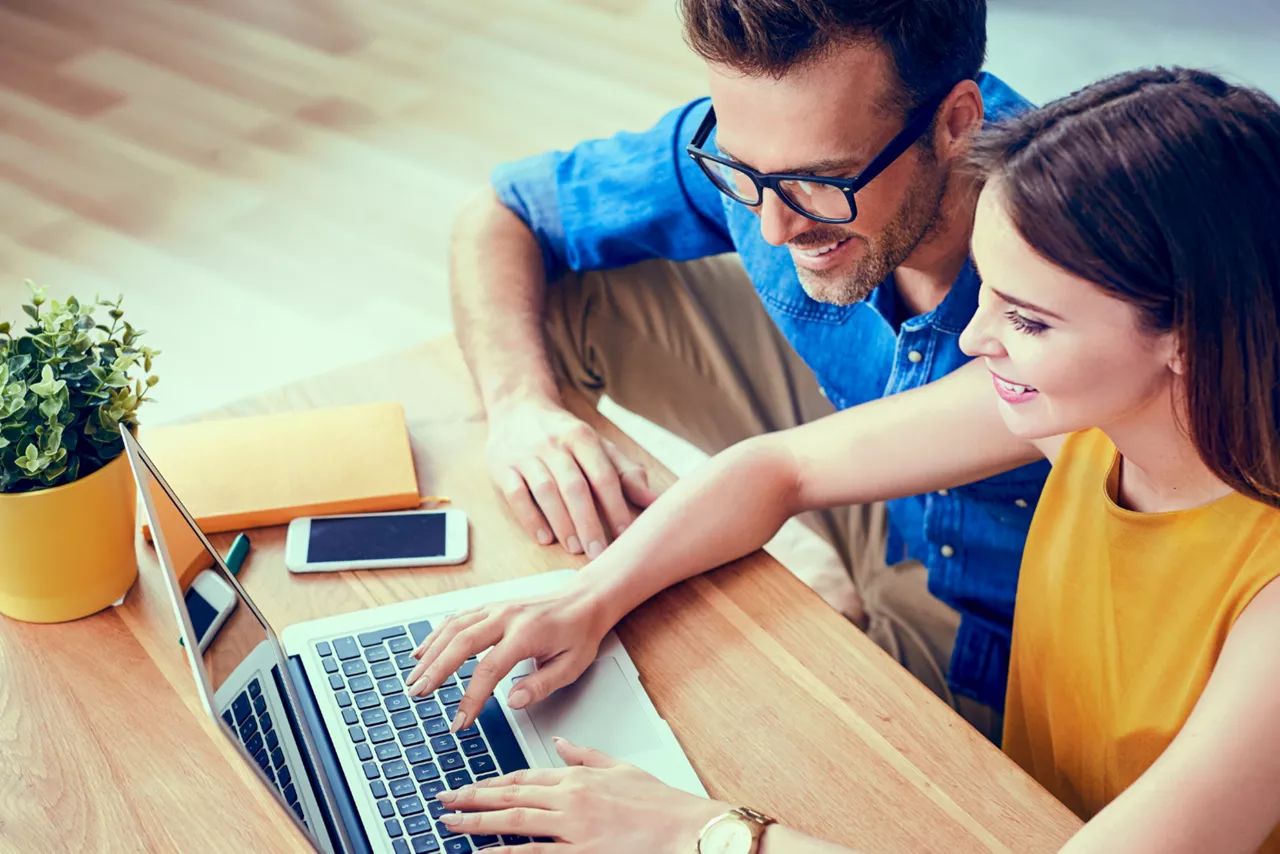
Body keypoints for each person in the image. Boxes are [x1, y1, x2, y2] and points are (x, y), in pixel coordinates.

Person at [414, 68, 1280, 853]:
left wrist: (706, 836)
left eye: (1028, 321)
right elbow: (777, 471)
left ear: (1189, 337)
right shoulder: (1085, 417)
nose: (977, 338)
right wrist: (587, 600)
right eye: (992, 291)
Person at [452, 0, 1045, 734]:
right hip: (851, 464)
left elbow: (780, 472)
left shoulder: (1074, 249)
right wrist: (520, 409)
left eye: (821, 180)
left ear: (956, 123)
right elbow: (503, 211)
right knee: (559, 297)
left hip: (999, 602)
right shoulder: (772, 147)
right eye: (744, 170)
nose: (772, 227)